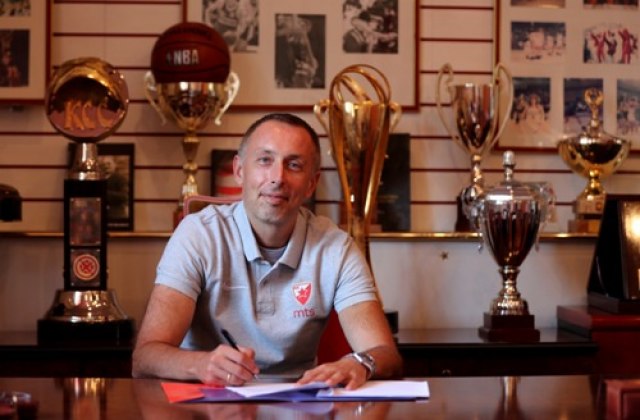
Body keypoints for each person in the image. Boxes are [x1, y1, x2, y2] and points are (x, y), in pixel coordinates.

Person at [132, 113, 402, 390]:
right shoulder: (197, 235)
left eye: (294, 165)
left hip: (299, 401)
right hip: (210, 399)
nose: (277, 178)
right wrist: (200, 364)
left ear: (311, 183)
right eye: (265, 160)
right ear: (239, 170)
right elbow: (144, 357)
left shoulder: (337, 247)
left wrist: (360, 363)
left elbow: (385, 352)